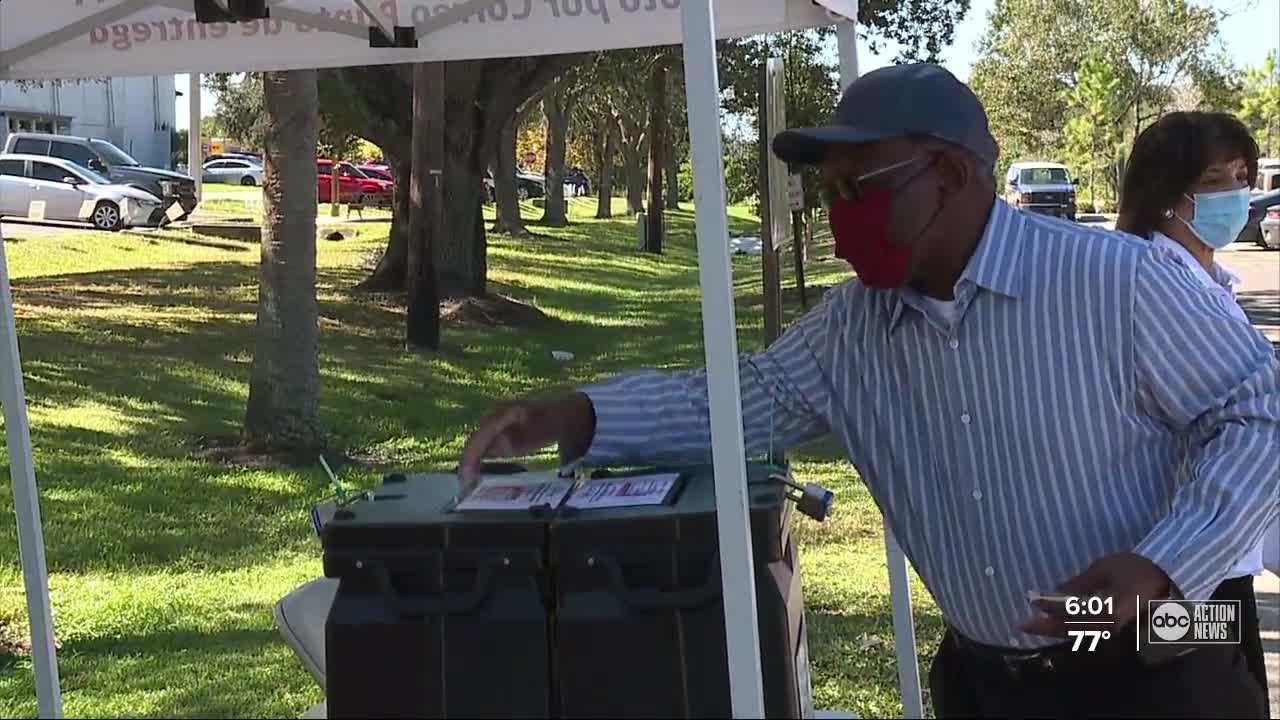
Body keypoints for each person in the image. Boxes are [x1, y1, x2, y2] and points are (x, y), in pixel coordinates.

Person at [458, 64, 1279, 718]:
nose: (840, 217)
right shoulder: (853, 330)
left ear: (953, 175)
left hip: (1156, 662)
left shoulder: (1116, 283)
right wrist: (574, 414)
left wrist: (1160, 568)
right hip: (989, 681)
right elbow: (737, 402)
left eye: (860, 189)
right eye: (828, 195)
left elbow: (1258, 412)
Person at [1116, 110, 1280, 706]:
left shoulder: (1215, 283)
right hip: (1179, 569)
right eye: (1215, 179)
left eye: (1242, 174)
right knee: (1204, 694)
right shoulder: (1154, 283)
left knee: (1235, 687)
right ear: (1167, 193)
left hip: (1226, 562)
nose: (1237, 193)